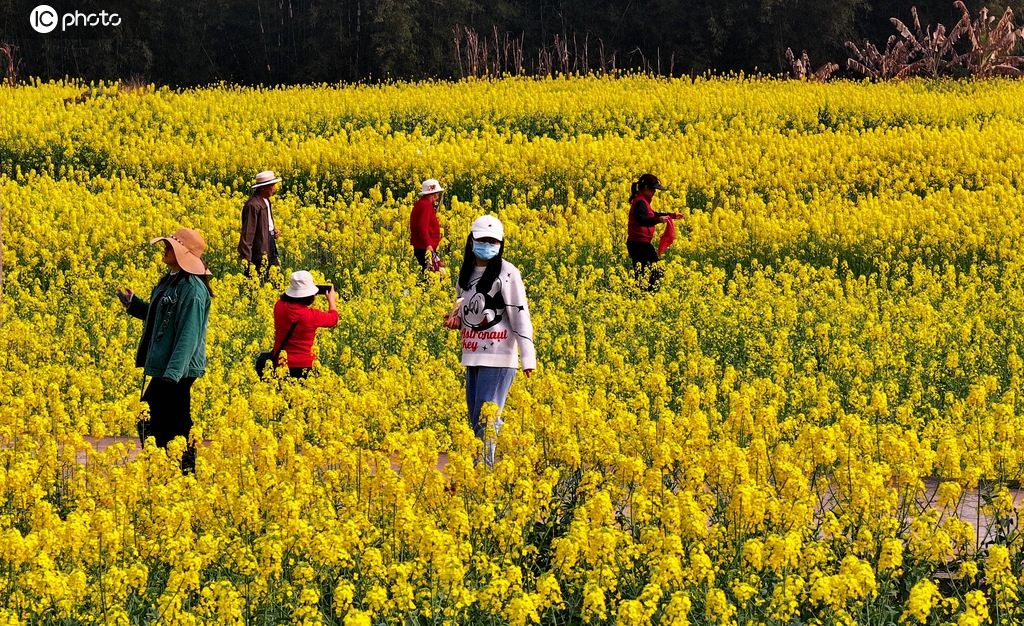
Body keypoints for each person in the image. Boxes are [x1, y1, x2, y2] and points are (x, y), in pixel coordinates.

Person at [117, 227, 213, 473]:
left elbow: (188, 335)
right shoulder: (172, 279)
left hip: (178, 368)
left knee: (161, 418)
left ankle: (176, 469)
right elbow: (163, 315)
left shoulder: (192, 289)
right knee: (168, 420)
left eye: (170, 246)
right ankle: (171, 468)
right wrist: (135, 306)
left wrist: (173, 373)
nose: (165, 249)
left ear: (183, 254)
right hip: (168, 365)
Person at [444, 215, 535, 466]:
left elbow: (520, 314)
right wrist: (457, 320)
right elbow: (468, 313)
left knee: (486, 419)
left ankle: (488, 473)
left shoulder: (507, 272)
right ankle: (491, 466)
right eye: (483, 239)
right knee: (477, 418)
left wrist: (527, 357)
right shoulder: (466, 273)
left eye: (493, 241)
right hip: (472, 354)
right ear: (471, 240)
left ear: (501, 243)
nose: (488, 245)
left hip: (499, 357)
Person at [273, 270, 339, 378]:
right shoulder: (312, 316)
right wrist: (331, 300)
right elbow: (334, 318)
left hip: (281, 364)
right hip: (305, 368)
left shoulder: (278, 306)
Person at [626, 173, 684, 291]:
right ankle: (648, 294)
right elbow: (643, 220)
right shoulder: (640, 202)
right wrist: (658, 220)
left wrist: (671, 215)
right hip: (639, 244)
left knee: (642, 272)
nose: (655, 192)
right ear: (646, 188)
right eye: (653, 189)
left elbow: (653, 214)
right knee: (656, 269)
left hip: (639, 243)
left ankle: (641, 294)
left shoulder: (642, 200)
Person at [238, 170, 282, 277]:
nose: (274, 188)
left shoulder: (266, 200)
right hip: (259, 251)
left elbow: (264, 223)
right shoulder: (253, 205)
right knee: (255, 280)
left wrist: (272, 230)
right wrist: (246, 258)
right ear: (262, 188)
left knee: (276, 277)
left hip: (269, 244)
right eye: (271, 185)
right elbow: (248, 233)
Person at [410, 179, 444, 271]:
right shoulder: (426, 206)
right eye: (435, 193)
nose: (437, 196)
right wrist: (428, 244)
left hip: (422, 246)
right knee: (433, 275)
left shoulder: (420, 204)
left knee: (429, 273)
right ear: (429, 194)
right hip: (424, 247)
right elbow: (422, 226)